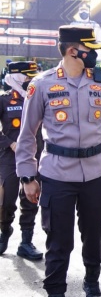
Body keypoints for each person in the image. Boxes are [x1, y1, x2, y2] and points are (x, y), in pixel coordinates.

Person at [16, 25, 101, 297]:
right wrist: (28, 177)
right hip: (57, 175)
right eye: (90, 50)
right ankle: (55, 291)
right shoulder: (41, 84)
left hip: (95, 174)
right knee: (58, 242)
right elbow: (27, 135)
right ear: (72, 50)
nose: (95, 55)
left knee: (93, 237)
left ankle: (92, 282)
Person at [0, 61, 43, 261]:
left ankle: (26, 242)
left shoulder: (40, 98)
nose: (30, 80)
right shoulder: (4, 100)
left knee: (31, 199)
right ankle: (5, 229)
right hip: (10, 157)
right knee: (5, 200)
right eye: (27, 76)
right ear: (16, 77)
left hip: (35, 155)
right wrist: (9, 143)